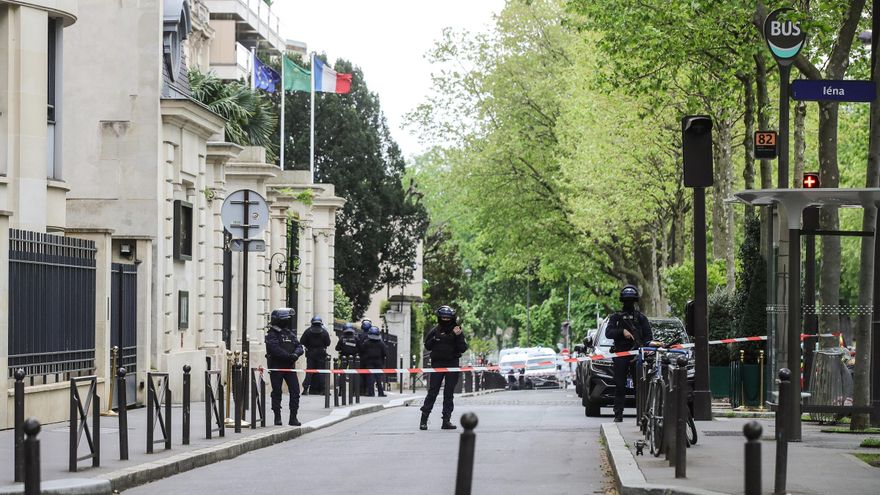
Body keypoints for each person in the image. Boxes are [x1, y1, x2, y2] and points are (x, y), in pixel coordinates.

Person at [605, 285, 658, 423]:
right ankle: (618, 415)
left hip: (637, 354)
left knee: (639, 386)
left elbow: (648, 337)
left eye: (631, 300)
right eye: (626, 300)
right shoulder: (615, 317)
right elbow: (608, 333)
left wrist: (649, 345)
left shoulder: (641, 318)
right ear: (622, 301)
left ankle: (641, 416)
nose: (628, 303)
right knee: (620, 386)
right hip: (621, 354)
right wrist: (622, 332)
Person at [419, 305, 468, 430]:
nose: (446, 320)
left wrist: (457, 336)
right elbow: (428, 346)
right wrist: (439, 339)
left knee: (449, 393)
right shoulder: (435, 331)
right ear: (440, 318)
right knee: (433, 392)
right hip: (438, 364)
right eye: (443, 318)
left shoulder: (457, 330)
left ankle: (446, 420)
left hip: (452, 364)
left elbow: (463, 348)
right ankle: (423, 420)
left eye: (448, 318)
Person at [265, 308, 304, 426]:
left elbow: (299, 346)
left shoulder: (288, 333)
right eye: (284, 319)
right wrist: (289, 356)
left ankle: (293, 417)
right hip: (277, 366)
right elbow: (275, 349)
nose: (286, 321)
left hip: (290, 367)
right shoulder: (271, 334)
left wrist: (295, 354)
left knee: (295, 391)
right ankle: (277, 417)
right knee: (277, 392)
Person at [300, 315, 331, 395]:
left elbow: (302, 341)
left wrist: (308, 345)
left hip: (310, 353)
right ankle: (323, 389)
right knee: (321, 371)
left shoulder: (307, 331)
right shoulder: (324, 332)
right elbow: (328, 343)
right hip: (321, 353)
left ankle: (305, 389)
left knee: (309, 371)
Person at [360, 327, 388, 396]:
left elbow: (362, 351)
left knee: (370, 378)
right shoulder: (381, 343)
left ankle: (371, 393)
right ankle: (381, 393)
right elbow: (385, 353)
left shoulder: (366, 343)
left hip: (369, 362)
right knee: (378, 378)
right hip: (379, 362)